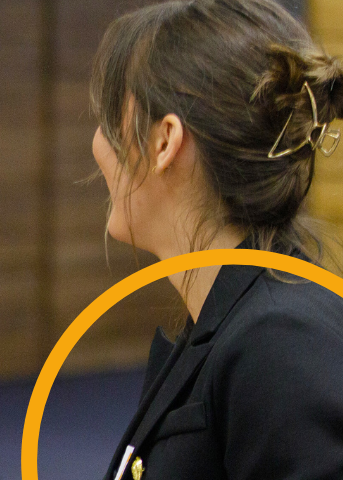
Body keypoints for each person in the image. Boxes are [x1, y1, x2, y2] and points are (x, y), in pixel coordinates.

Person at [89, 1, 343, 478]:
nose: (99, 143)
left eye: (110, 117)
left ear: (165, 142)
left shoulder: (279, 343)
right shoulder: (236, 320)